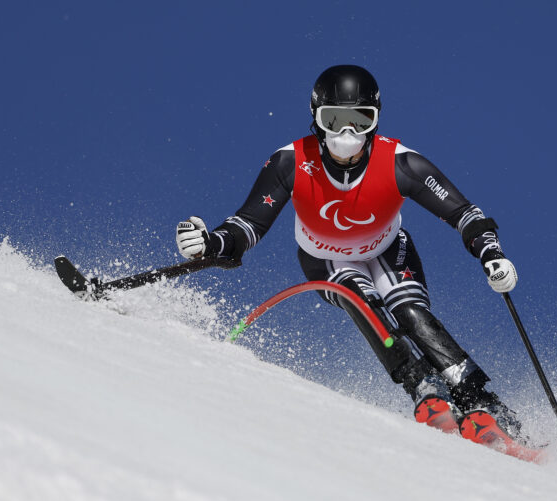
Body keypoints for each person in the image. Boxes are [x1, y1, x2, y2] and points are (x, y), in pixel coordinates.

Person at [176, 65, 523, 439]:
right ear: (316, 118)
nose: (347, 133)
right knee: (361, 300)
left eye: (360, 120)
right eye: (334, 120)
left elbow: (463, 213)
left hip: (388, 250)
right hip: (326, 258)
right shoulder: (291, 161)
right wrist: (212, 243)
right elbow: (249, 224)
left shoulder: (400, 162)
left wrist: (490, 253)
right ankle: (423, 387)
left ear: (375, 120)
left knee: (410, 313)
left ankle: (481, 400)